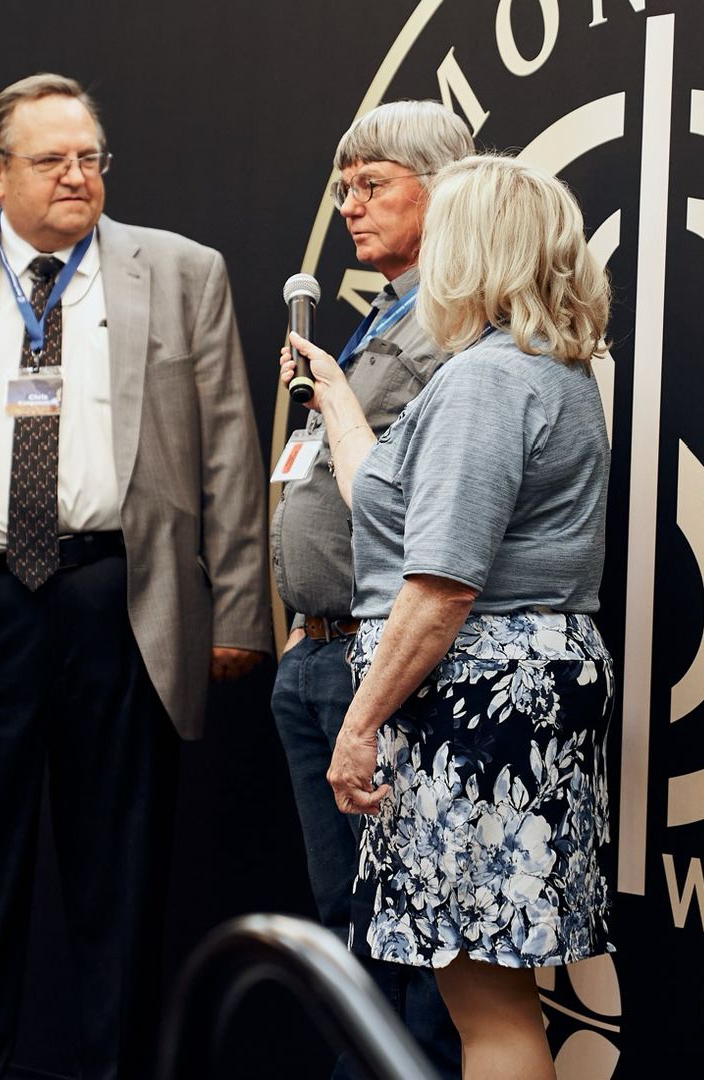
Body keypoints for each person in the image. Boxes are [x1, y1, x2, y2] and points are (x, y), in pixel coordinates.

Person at [0, 73, 273, 1080]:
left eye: (91, 158)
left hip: (120, 601)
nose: (78, 176)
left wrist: (243, 607)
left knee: (120, 877)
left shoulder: (180, 271)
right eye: (52, 160)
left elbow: (230, 458)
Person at [283, 154, 615, 1080]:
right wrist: (338, 396)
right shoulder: (537, 369)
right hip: (515, 687)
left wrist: (359, 726)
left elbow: (440, 590)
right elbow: (386, 500)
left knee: (487, 1008)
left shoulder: (486, 382)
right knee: (494, 994)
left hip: (476, 694)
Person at [269, 101, 470, 1078]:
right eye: (343, 188)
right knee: (349, 933)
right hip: (317, 655)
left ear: (445, 188)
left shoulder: (464, 323)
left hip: (384, 661)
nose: (349, 206)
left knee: (412, 937)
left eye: (372, 184)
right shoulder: (378, 316)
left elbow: (423, 506)